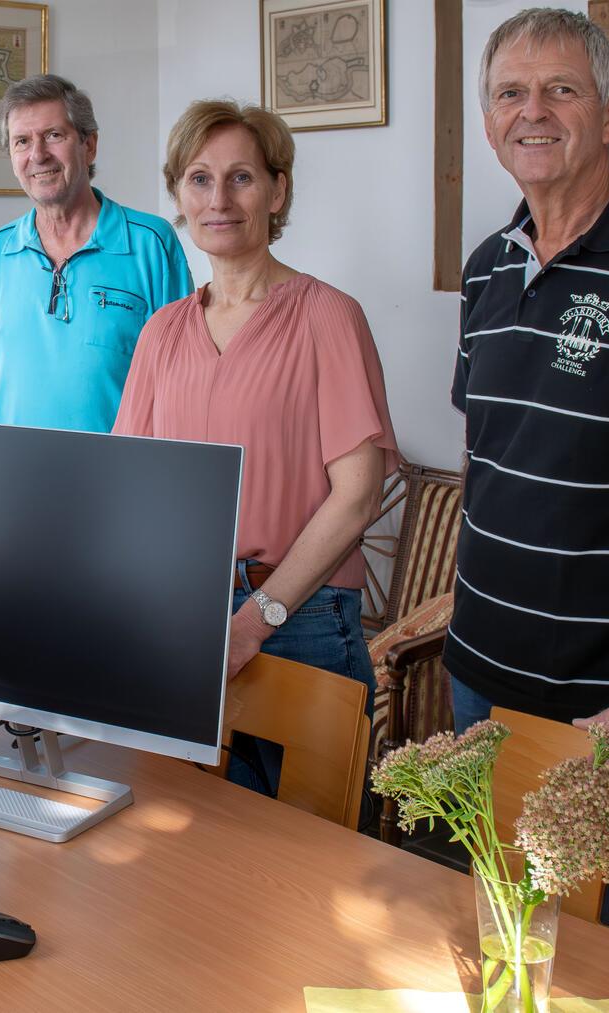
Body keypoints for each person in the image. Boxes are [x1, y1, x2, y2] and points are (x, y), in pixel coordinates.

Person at [112, 100, 398, 789]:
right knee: (192, 842)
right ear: (180, 195)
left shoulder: (329, 317)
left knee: (314, 860)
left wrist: (258, 618)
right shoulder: (161, 332)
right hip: (182, 618)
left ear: (278, 189)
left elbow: (357, 497)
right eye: (200, 179)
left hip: (302, 616)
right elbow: (131, 485)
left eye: (241, 177)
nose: (220, 198)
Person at [449, 8, 609, 936]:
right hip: (479, 683)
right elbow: (494, 459)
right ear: (490, 121)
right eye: (509, 93)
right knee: (490, 941)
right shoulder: (487, 268)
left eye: (560, 89)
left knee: (602, 967)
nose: (532, 111)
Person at [0, 74, 193, 432]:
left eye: (53, 136)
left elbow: (182, 386)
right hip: (4, 480)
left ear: (90, 145)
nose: (37, 155)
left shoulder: (152, 245)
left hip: (113, 480)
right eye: (21, 141)